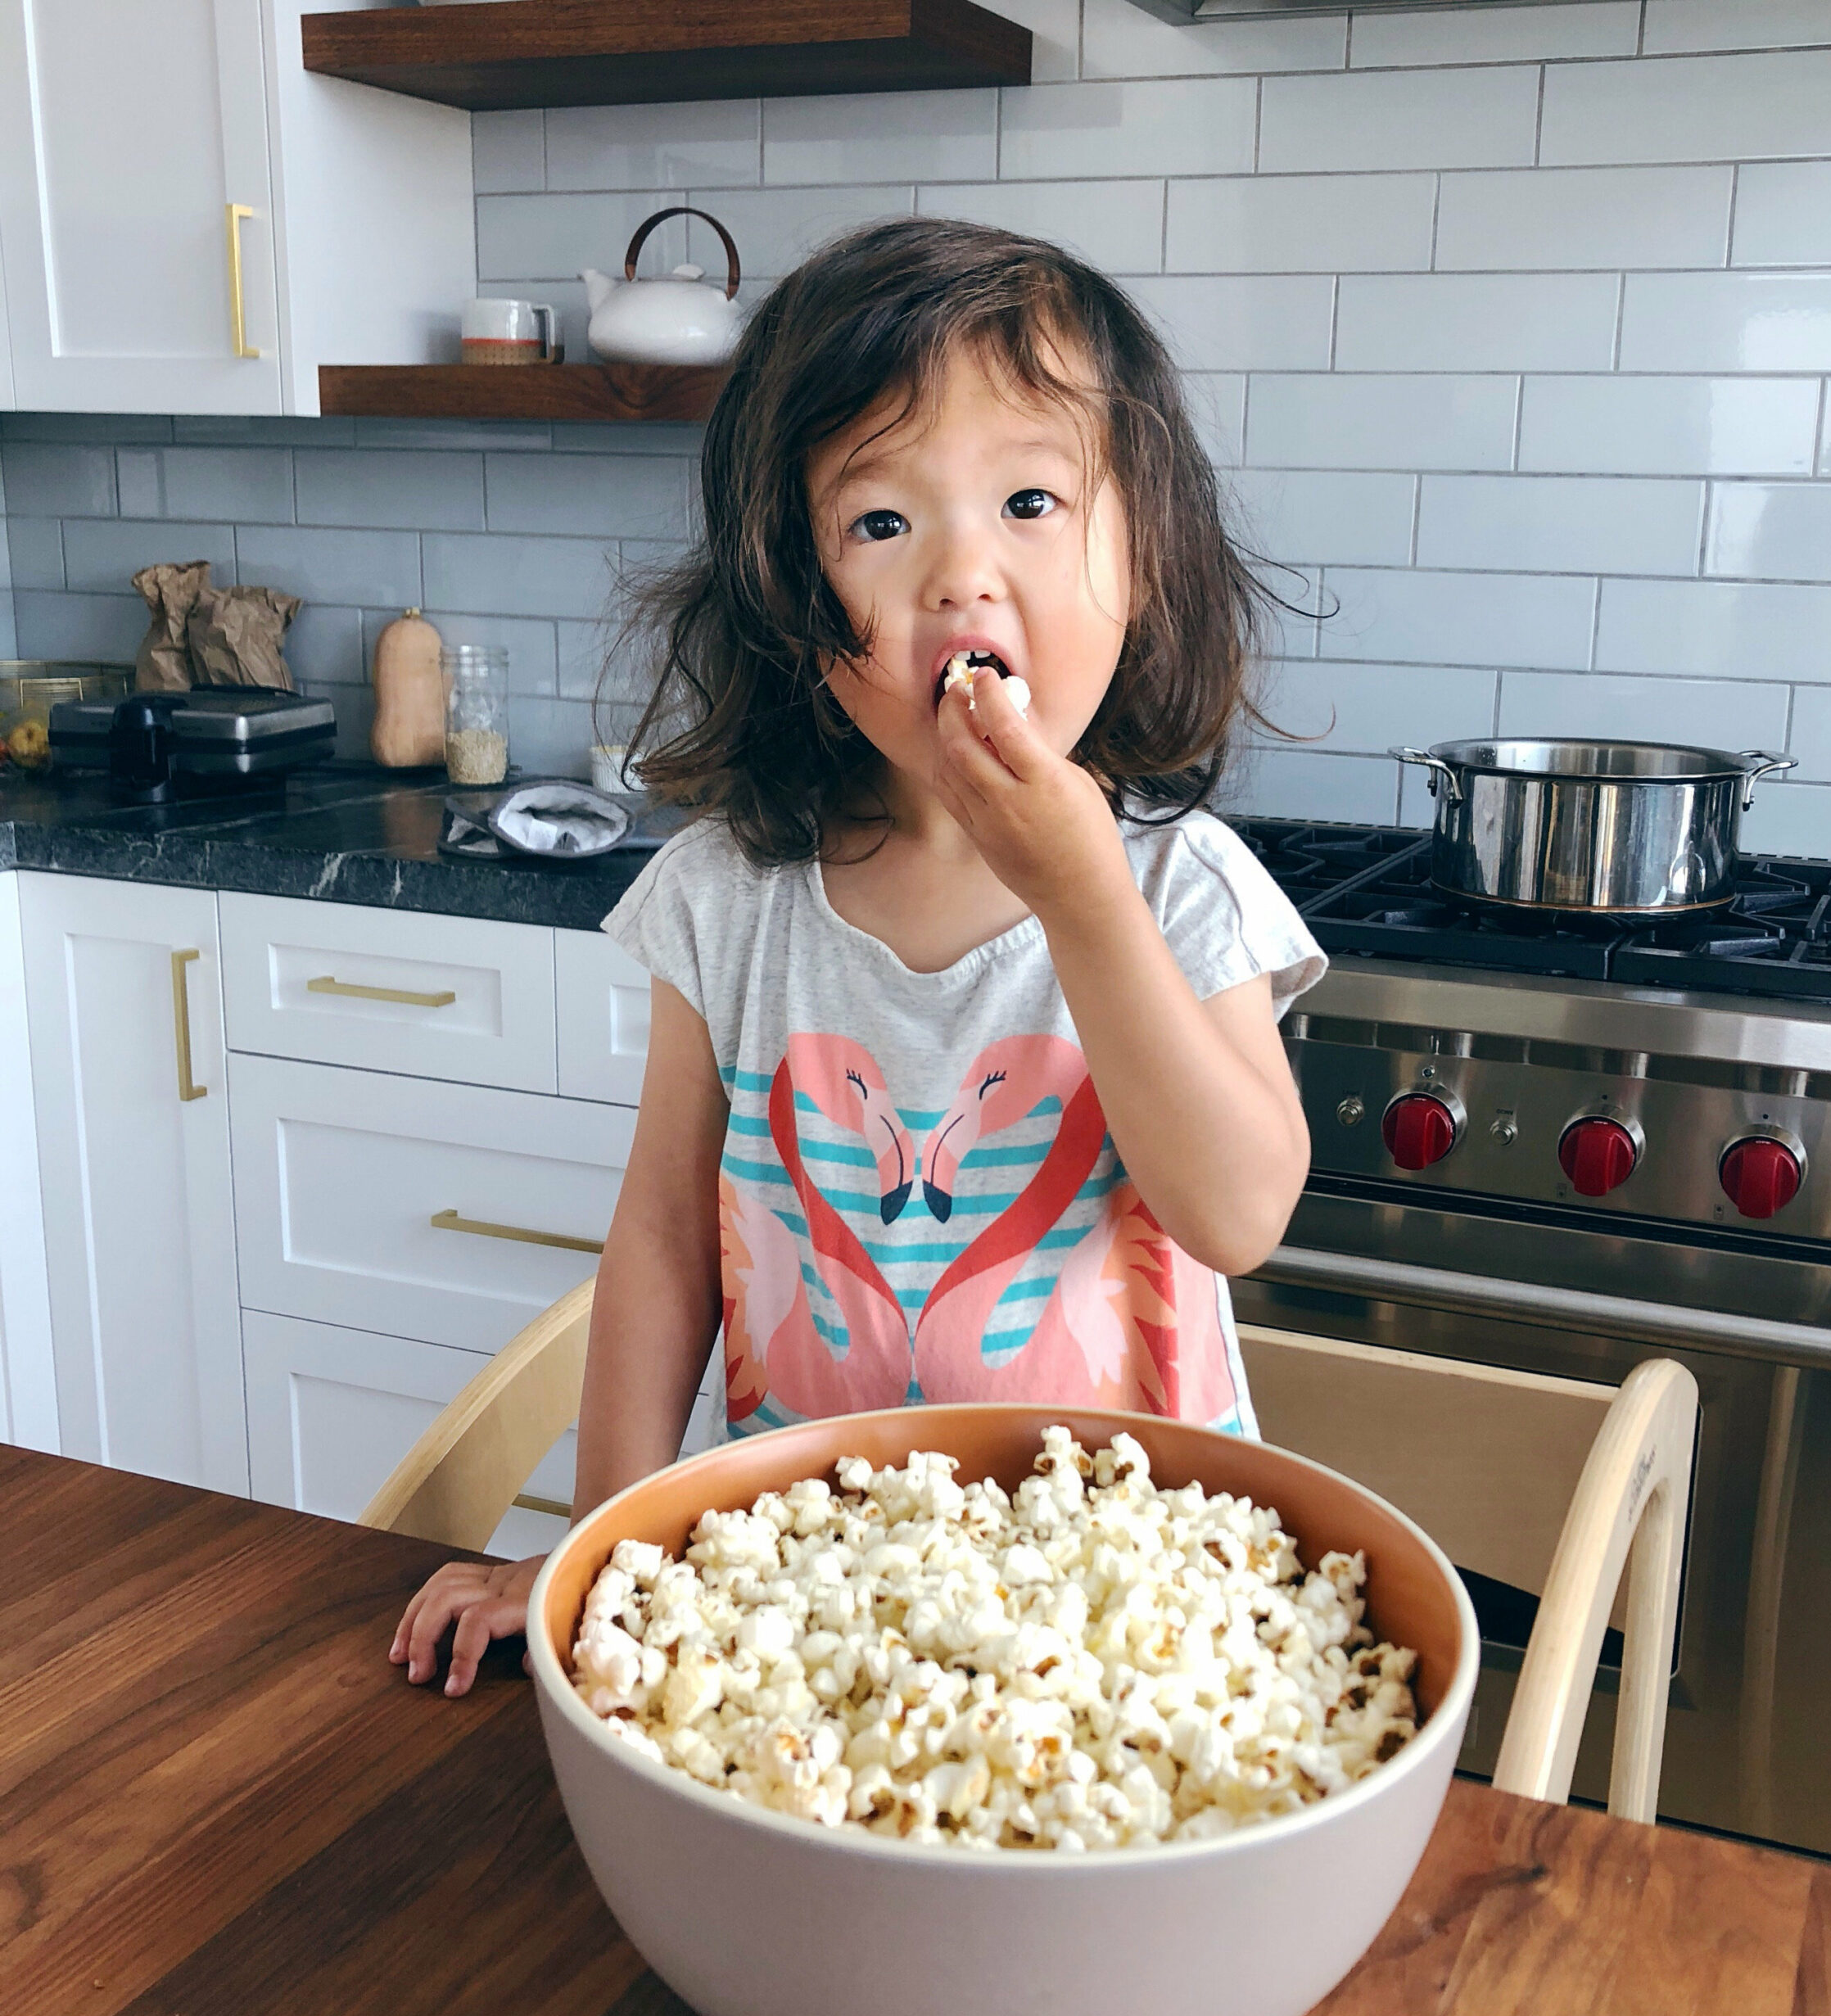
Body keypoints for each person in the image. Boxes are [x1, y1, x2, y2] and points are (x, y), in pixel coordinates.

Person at [391, 217, 1327, 1697]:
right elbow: (660, 1244)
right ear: (792, 600)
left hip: (1128, 1627)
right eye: (881, 524)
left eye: (1031, 500)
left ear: (1142, 562)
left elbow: (1238, 1212)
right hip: (805, 1616)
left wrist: (1083, 899)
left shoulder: (1174, 884)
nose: (964, 576)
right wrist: (603, 1554)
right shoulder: (728, 896)